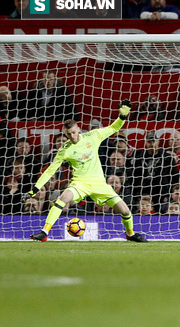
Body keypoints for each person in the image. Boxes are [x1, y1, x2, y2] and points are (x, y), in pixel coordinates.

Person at [26, 101, 147, 242]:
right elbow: (49, 171)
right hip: (80, 184)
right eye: (68, 135)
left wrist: (122, 116)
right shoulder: (65, 150)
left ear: (78, 129)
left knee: (125, 211)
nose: (72, 137)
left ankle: (130, 234)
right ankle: (44, 232)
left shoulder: (93, 136)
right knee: (62, 198)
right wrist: (36, 188)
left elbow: (114, 127)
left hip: (99, 184)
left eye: (73, 133)